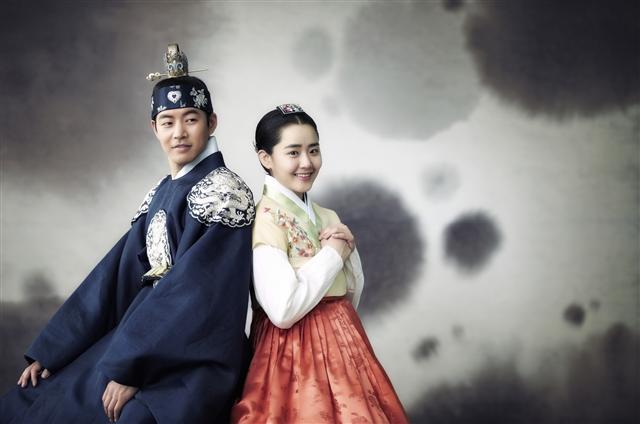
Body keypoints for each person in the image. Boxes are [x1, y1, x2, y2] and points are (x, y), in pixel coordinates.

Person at [0, 44, 255, 423]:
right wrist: (55, 349)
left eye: (191, 119)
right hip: (143, 337)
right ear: (154, 128)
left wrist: (133, 368)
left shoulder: (225, 193)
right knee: (32, 401)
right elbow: (114, 276)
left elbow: (196, 293)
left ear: (211, 122)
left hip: (195, 350)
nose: (179, 133)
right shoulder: (161, 192)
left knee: (130, 417)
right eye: (167, 122)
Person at [231, 104, 408, 423]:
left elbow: (348, 296)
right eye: (293, 152)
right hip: (290, 355)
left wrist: (348, 253)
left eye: (313, 150)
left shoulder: (327, 216)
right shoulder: (266, 219)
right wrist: (333, 254)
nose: (307, 162)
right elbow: (283, 311)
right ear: (266, 158)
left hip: (344, 344)